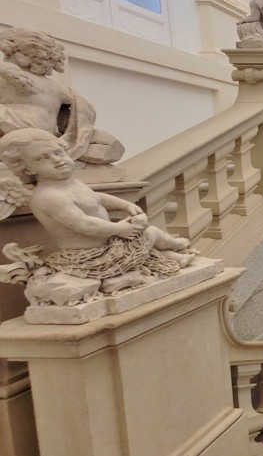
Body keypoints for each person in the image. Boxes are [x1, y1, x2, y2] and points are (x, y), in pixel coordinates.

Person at [0, 129, 195, 296]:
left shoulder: (70, 184)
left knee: (143, 241)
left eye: (59, 152)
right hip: (91, 255)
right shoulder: (48, 196)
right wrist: (118, 229)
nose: (58, 160)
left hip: (108, 244)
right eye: (43, 158)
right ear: (26, 167)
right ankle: (173, 246)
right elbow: (82, 223)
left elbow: (97, 198)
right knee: (149, 233)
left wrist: (124, 206)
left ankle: (174, 256)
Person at [0, 28, 124, 165]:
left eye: (6, 53)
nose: (5, 57)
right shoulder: (58, 88)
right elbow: (83, 108)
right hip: (46, 135)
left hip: (18, 131)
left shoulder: (5, 76)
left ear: (17, 54)